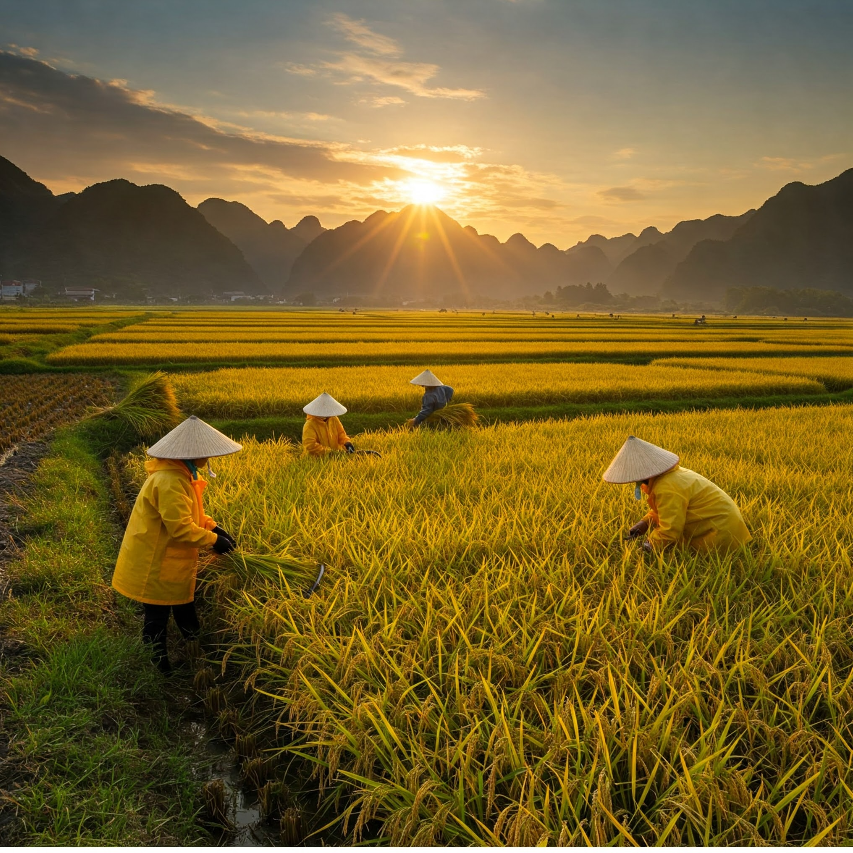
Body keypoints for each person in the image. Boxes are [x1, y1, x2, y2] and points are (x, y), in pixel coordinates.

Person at [111, 415, 241, 674]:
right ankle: (158, 667)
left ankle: (195, 646)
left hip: (168, 557)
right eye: (206, 453)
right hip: (155, 560)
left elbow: (189, 514)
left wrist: (213, 526)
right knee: (157, 616)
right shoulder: (170, 481)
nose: (209, 458)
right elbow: (180, 528)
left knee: (184, 603)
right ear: (192, 454)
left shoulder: (180, 474)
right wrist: (215, 541)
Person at [602, 435, 751, 552]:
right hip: (726, 527)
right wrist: (645, 523)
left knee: (698, 564)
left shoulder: (667, 488)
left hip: (721, 536)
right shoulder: (671, 476)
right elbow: (667, 511)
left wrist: (647, 548)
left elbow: (670, 530)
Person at [302, 392, 355, 457]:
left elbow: (341, 434)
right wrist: (329, 452)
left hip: (335, 457)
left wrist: (347, 442)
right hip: (316, 460)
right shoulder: (310, 424)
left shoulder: (334, 419)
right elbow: (310, 445)